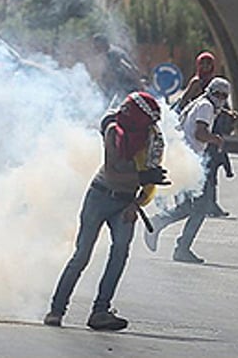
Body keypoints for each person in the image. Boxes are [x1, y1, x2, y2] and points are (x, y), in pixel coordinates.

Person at [44, 92, 169, 331]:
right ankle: (56, 310)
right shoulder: (114, 131)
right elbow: (112, 172)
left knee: (120, 253)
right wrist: (142, 176)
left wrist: (137, 203)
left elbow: (152, 178)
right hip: (99, 196)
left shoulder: (152, 138)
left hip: (125, 203)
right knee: (81, 256)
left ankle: (100, 311)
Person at [143, 76, 231, 263]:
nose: (221, 99)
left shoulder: (202, 103)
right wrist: (216, 139)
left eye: (224, 96)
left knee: (186, 208)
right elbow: (200, 133)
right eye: (218, 94)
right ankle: (181, 248)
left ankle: (159, 224)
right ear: (211, 92)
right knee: (200, 208)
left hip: (184, 160)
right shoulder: (206, 107)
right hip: (191, 164)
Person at [92, 33, 145, 106]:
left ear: (103, 43)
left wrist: (139, 84)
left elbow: (128, 67)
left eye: (97, 45)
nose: (95, 47)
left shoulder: (113, 53)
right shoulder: (109, 53)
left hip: (128, 87)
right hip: (121, 88)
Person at [173, 51, 216, 117]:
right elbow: (184, 100)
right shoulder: (196, 82)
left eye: (208, 63)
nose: (205, 66)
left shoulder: (215, 82)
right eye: (202, 63)